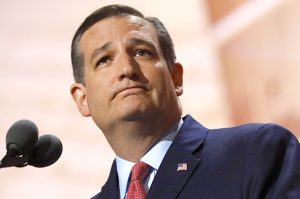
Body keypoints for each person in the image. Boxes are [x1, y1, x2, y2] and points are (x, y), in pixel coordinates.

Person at [70, 4, 300, 199]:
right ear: (82, 99)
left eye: (142, 52)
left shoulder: (256, 152)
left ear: (175, 77)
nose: (127, 69)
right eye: (104, 60)